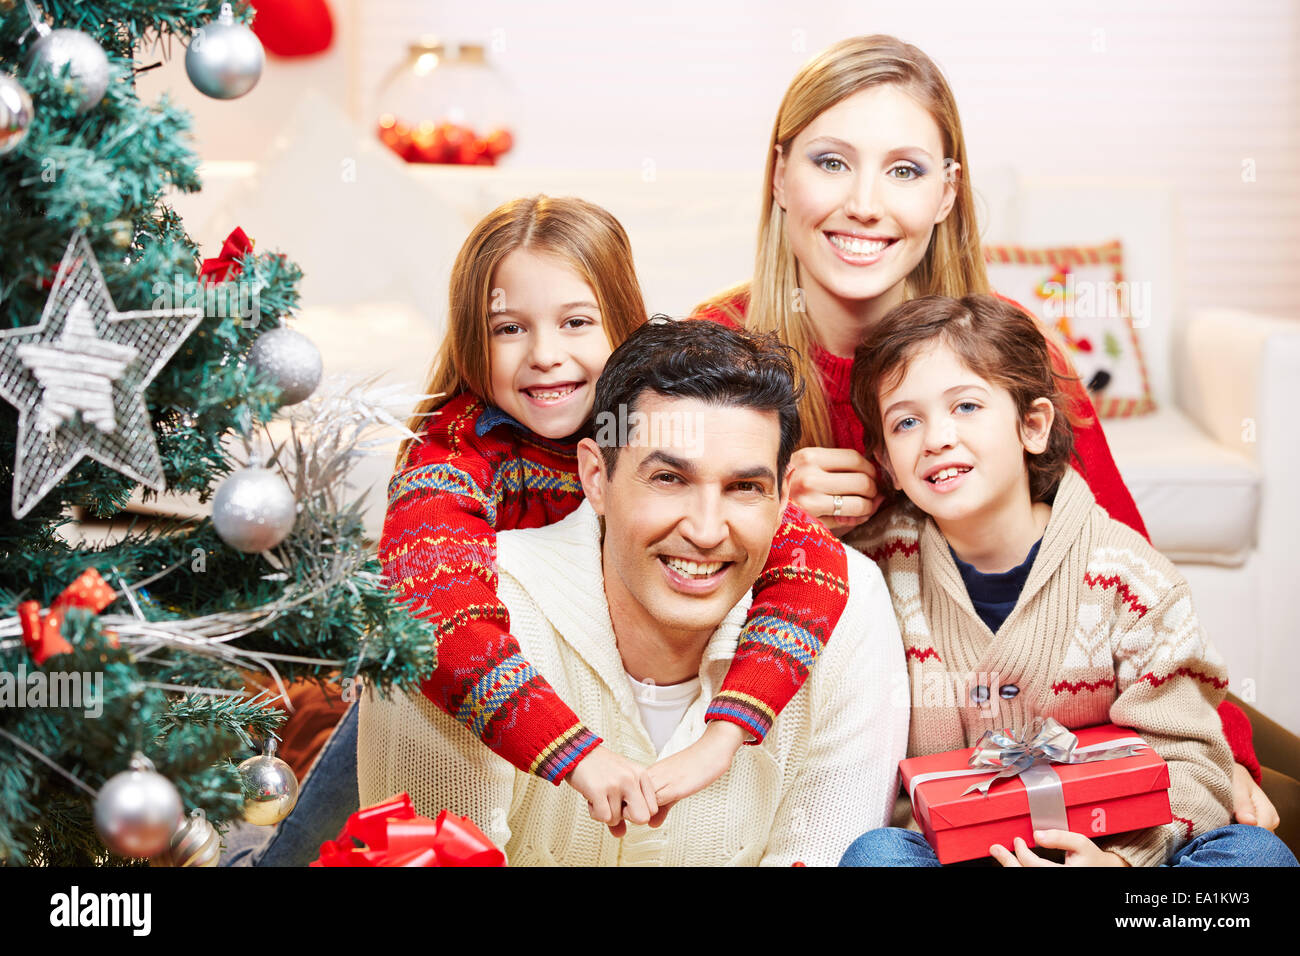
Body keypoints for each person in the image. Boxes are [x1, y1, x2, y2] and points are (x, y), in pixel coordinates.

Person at [690, 32, 1271, 819]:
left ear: (947, 192)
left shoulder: (1017, 353)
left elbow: (1124, 558)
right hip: (814, 753)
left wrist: (1224, 750)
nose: (865, 201)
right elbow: (638, 590)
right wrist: (763, 518)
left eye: (904, 170)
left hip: (1038, 756)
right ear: (779, 175)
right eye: (831, 162)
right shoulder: (708, 356)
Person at [359, 318, 909, 865]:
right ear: (596, 478)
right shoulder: (451, 628)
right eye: (669, 479)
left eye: (745, 487)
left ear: (785, 494)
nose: (706, 529)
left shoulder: (850, 606)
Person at [837, 294, 1296, 866]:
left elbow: (1192, 761)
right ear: (886, 460)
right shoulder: (873, 568)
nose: (936, 438)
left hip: (1114, 850)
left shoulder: (1130, 578)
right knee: (876, 855)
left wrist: (1124, 861)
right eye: (907, 421)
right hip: (958, 853)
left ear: (1032, 425)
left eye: (967, 407)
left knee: (1256, 856)